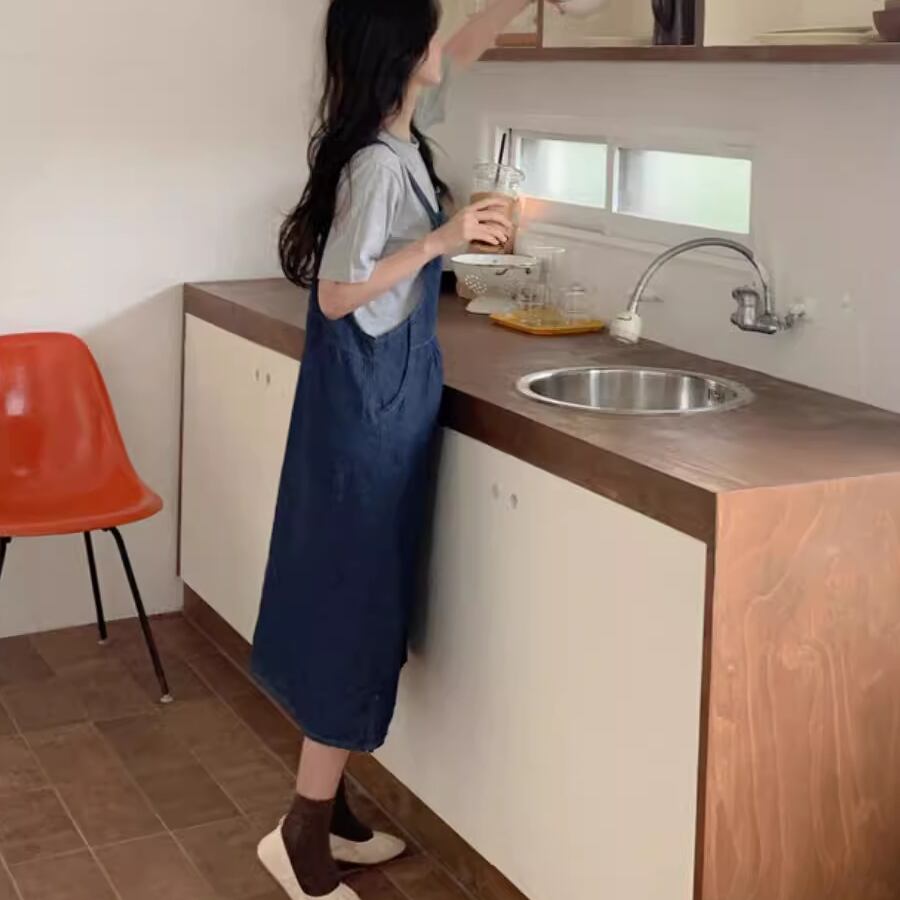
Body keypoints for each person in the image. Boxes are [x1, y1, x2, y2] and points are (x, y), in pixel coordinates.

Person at [252, 2, 556, 898]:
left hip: (381, 400)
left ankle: (329, 807)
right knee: (352, 610)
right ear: (399, 53)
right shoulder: (378, 166)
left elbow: (462, 46)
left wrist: (513, 4)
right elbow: (338, 293)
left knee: (358, 602)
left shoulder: (399, 136)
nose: (440, 48)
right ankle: (301, 835)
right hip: (366, 415)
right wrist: (442, 240)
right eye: (426, 34)